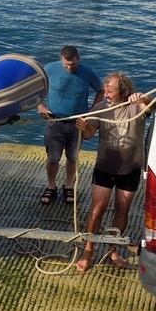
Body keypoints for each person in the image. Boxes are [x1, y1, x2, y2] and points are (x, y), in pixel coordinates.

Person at [75, 72, 156, 272]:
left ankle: (112, 250)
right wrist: (83, 127)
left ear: (123, 91)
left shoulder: (136, 107)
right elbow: (87, 135)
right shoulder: (100, 108)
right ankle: (88, 250)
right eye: (106, 90)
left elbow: (154, 104)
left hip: (130, 169)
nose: (107, 95)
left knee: (122, 210)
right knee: (97, 210)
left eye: (111, 91)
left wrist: (142, 97)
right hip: (104, 167)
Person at [37, 45, 103, 206]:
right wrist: (40, 106)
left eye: (72, 65)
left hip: (77, 123)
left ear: (78, 59)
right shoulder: (49, 69)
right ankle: (51, 187)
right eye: (66, 64)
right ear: (61, 59)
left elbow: (101, 90)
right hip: (54, 122)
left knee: (72, 157)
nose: (69, 67)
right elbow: (36, 88)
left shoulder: (87, 72)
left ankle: (68, 186)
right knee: (53, 158)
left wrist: (91, 111)